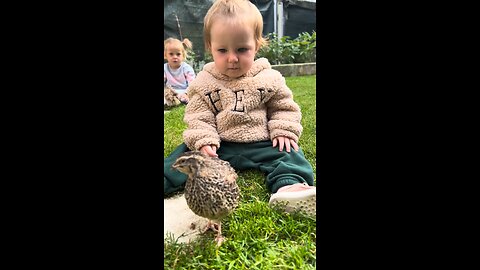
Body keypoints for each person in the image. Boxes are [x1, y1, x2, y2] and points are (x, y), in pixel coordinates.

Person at [164, 0, 316, 218]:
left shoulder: (268, 77)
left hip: (262, 143)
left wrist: (283, 129)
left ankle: (289, 187)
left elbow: (283, 107)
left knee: (290, 154)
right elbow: (198, 114)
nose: (232, 58)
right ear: (209, 47)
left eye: (242, 49)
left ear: (257, 44)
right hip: (219, 145)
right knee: (183, 156)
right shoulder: (204, 81)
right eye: (222, 50)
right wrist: (204, 139)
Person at [164, 37, 196, 106]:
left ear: (183, 55)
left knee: (188, 97)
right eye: (171, 54)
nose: (175, 57)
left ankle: (182, 100)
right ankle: (172, 100)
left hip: (184, 90)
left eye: (178, 54)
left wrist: (186, 93)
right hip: (170, 91)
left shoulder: (187, 68)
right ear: (165, 55)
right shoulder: (165, 68)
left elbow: (192, 84)